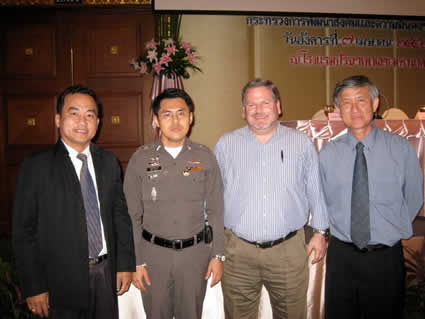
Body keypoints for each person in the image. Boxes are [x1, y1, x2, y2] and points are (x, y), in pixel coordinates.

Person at [12, 85, 135, 319]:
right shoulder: (36, 166)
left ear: (97, 123)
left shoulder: (109, 162)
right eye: (74, 113)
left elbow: (120, 216)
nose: (82, 121)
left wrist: (125, 264)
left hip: (105, 274)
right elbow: (24, 231)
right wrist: (34, 286)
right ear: (58, 119)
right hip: (59, 282)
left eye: (90, 115)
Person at [214, 78, 329, 319]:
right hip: (238, 252)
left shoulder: (300, 143)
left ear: (278, 105)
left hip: (288, 251)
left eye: (265, 103)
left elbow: (315, 189)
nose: (258, 110)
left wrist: (320, 232)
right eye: (251, 105)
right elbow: (212, 196)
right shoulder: (226, 145)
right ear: (243, 111)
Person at [319, 75, 423, 319]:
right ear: (338, 109)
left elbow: (414, 196)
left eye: (361, 100)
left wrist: (390, 229)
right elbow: (321, 200)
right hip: (341, 257)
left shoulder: (400, 148)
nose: (354, 109)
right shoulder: (328, 154)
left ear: (375, 104)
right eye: (346, 103)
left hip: (384, 258)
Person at [124, 88, 224, 319]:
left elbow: (216, 210)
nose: (175, 120)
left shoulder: (205, 157)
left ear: (191, 117)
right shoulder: (141, 158)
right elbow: (132, 215)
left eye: (181, 113)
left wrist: (218, 255)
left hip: (194, 255)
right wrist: (136, 261)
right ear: (156, 120)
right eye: (167, 114)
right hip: (153, 256)